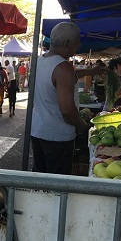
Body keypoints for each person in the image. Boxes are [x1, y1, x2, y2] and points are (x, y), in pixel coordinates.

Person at [30, 22, 89, 175]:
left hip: (38, 130)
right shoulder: (64, 67)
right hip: (57, 135)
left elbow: (64, 79)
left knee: (40, 178)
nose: (79, 45)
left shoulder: (39, 61)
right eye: (77, 41)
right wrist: (81, 125)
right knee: (56, 184)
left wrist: (92, 71)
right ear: (67, 43)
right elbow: (67, 110)